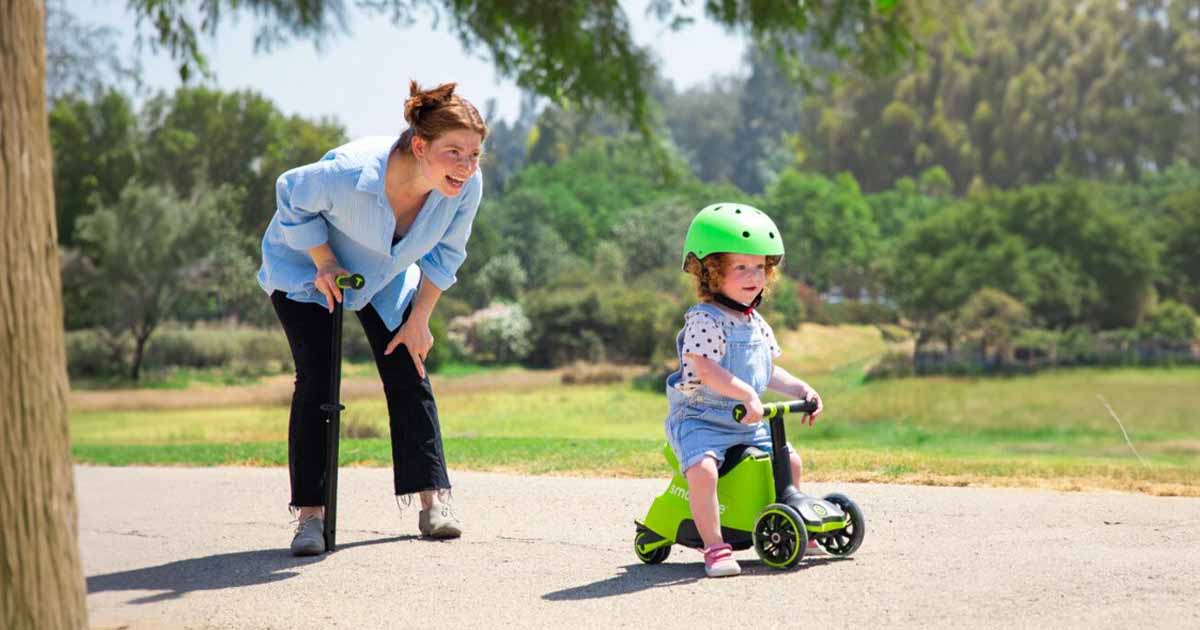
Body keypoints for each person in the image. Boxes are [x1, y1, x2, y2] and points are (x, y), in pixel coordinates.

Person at [257, 81, 487, 555]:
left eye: (475, 153)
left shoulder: (464, 188)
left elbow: (446, 255)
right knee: (318, 381)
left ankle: (433, 502)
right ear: (420, 146)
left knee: (409, 365)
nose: (466, 166)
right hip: (307, 271)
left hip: (383, 275)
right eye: (454, 152)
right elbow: (289, 192)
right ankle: (310, 518)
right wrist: (323, 261)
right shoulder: (351, 173)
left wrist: (419, 320)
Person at [664, 202, 824, 577]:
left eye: (760, 267)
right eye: (741, 267)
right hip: (701, 420)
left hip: (745, 420)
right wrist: (745, 394)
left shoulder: (755, 322)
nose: (754, 276)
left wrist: (802, 389)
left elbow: (767, 371)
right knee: (703, 470)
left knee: (791, 461)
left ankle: (792, 522)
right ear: (712, 272)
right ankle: (715, 547)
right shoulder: (705, 318)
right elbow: (705, 369)